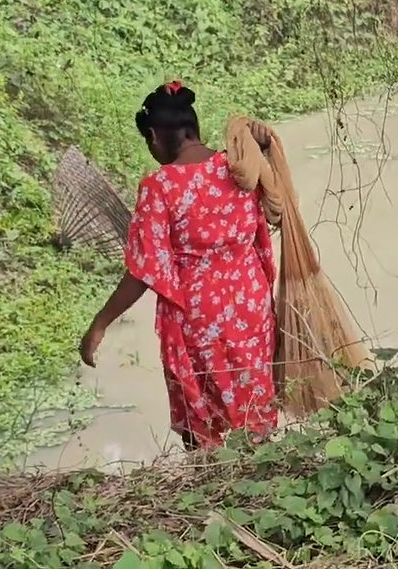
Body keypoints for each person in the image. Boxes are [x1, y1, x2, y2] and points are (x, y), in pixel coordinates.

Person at [78, 81, 278, 451]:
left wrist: (99, 324)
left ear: (154, 136)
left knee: (204, 421)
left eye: (148, 142)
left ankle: (211, 484)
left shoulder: (161, 186)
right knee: (253, 403)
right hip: (251, 308)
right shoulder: (239, 168)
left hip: (199, 318)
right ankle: (264, 476)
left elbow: (144, 270)